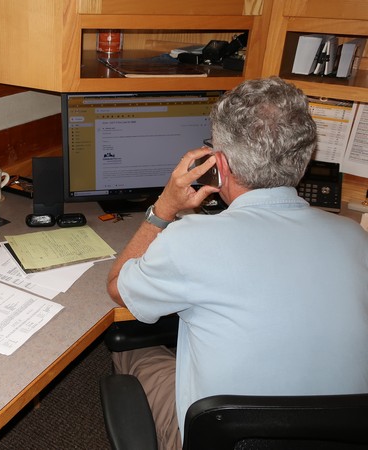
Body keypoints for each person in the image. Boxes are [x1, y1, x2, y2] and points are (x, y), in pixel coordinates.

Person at [106, 77, 368, 450]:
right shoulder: (355, 238)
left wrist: (164, 208)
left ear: (220, 164)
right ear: (304, 156)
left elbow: (118, 287)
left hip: (222, 439)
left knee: (130, 345)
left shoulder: (191, 240)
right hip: (339, 436)